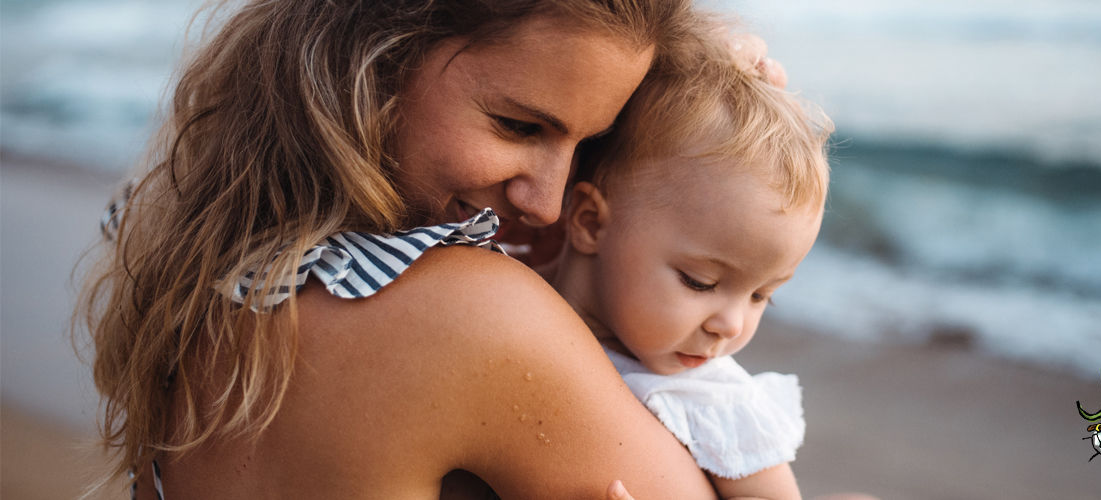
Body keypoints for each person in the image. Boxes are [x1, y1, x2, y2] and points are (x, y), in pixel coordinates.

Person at [75, 1, 788, 498]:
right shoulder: (473, 317)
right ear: (379, 57)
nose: (547, 200)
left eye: (588, 145)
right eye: (519, 126)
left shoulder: (218, 272)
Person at [542, 34, 830, 500]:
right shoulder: (507, 289)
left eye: (762, 295)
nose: (731, 326)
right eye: (701, 282)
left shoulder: (709, 401)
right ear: (590, 222)